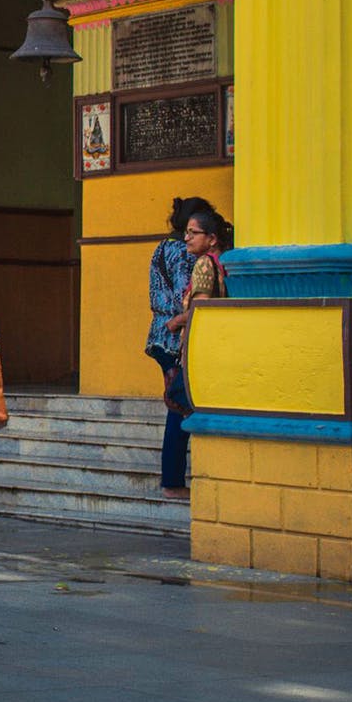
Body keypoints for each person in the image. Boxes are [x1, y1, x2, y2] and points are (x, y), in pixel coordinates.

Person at [146, 197, 214, 500]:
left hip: (160, 334)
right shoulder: (182, 253)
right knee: (180, 406)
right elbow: (185, 297)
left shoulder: (163, 247)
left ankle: (173, 478)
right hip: (175, 335)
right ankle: (172, 481)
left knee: (178, 404)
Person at [164, 208, 233, 431]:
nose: (186, 238)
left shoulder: (204, 263)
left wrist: (176, 322)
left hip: (200, 347)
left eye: (193, 233)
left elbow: (201, 309)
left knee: (180, 399)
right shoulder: (224, 261)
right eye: (186, 232)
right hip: (220, 343)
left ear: (211, 239)